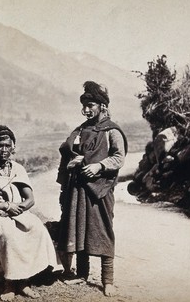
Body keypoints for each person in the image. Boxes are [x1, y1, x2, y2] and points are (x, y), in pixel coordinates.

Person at [0, 124, 57, 301]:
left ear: (13, 147)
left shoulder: (17, 169)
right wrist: (4, 206)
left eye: (8, 146)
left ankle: (25, 282)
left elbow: (30, 200)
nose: (4, 150)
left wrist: (15, 209)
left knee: (36, 227)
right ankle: (10, 283)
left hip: (15, 211)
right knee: (8, 233)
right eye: (0, 145)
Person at [56, 81, 128, 297]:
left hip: (100, 188)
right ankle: (82, 274)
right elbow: (68, 151)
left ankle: (108, 280)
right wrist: (72, 161)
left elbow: (119, 157)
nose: (87, 110)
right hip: (78, 187)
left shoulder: (112, 131)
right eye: (85, 105)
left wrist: (99, 165)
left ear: (102, 106)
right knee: (79, 227)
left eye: (91, 105)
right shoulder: (81, 130)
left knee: (102, 228)